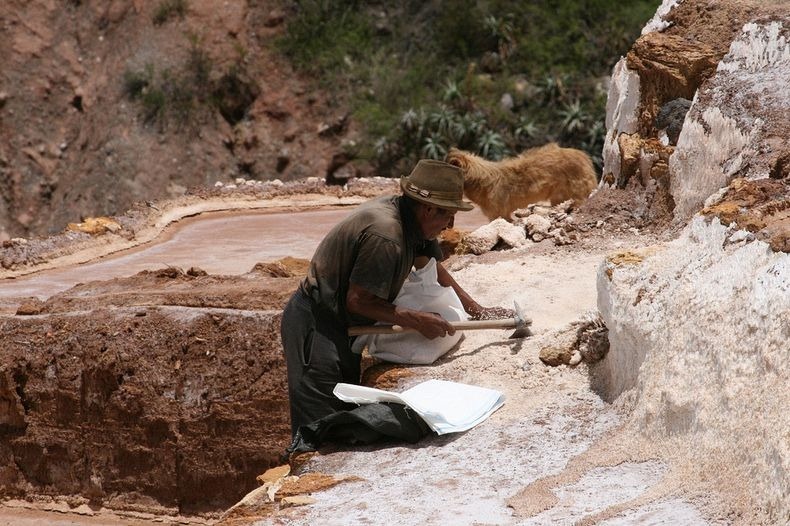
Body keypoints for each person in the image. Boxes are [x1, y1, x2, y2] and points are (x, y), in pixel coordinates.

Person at [280, 159, 514, 440]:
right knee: (319, 423)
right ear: (428, 208)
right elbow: (359, 301)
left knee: (342, 408)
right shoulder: (387, 235)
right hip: (318, 325)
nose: (451, 225)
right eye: (448, 215)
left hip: (343, 325)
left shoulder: (412, 220)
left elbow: (432, 267)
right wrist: (416, 320)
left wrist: (477, 310)